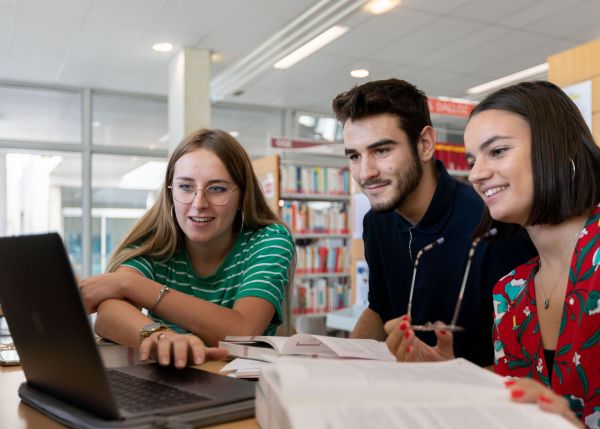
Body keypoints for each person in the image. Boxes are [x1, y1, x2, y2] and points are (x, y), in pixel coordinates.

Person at [388, 81, 599, 428]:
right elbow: (518, 410)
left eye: (497, 151)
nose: (476, 174)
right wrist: (448, 377)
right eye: (472, 160)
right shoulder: (510, 292)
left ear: (557, 148)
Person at [332, 78, 536, 366]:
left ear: (425, 144)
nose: (366, 172)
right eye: (354, 155)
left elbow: (523, 366)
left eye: (381, 151)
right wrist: (341, 368)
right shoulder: (376, 224)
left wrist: (441, 374)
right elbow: (379, 309)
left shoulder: (494, 224)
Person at [80, 129, 295, 368]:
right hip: (173, 380)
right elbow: (108, 315)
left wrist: (130, 285)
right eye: (185, 187)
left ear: (242, 196)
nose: (199, 203)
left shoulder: (269, 239)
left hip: (250, 387)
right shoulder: (156, 241)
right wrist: (160, 338)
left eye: (217, 189)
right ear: (170, 192)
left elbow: (242, 332)